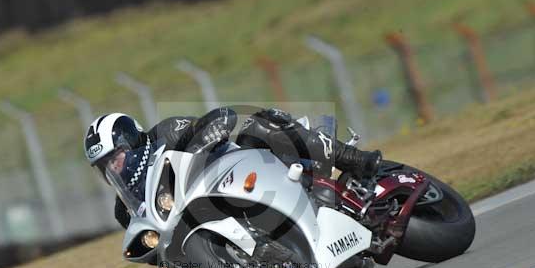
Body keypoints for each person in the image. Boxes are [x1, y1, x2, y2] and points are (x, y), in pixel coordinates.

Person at [84, 107, 382, 229]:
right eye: (105, 166)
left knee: (259, 125)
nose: (114, 167)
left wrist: (205, 138)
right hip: (226, 222)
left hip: (246, 171)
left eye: (116, 156)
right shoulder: (127, 210)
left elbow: (220, 117)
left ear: (131, 141)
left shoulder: (166, 132)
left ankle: (356, 158)